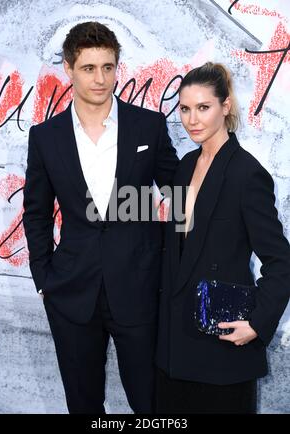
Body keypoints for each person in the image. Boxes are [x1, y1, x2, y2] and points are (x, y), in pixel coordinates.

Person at [22, 21, 178, 414]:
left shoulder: (149, 125)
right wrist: (45, 278)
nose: (100, 78)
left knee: (151, 402)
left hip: (140, 288)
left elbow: (179, 196)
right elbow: (36, 212)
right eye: (89, 68)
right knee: (83, 403)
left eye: (108, 67)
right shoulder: (46, 136)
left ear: (117, 67)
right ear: (69, 69)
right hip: (71, 292)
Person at [155, 62, 290, 414]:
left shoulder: (248, 174)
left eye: (203, 107)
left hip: (222, 350)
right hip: (175, 349)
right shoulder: (184, 167)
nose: (192, 119)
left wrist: (257, 325)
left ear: (225, 106)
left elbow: (281, 261)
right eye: (185, 109)